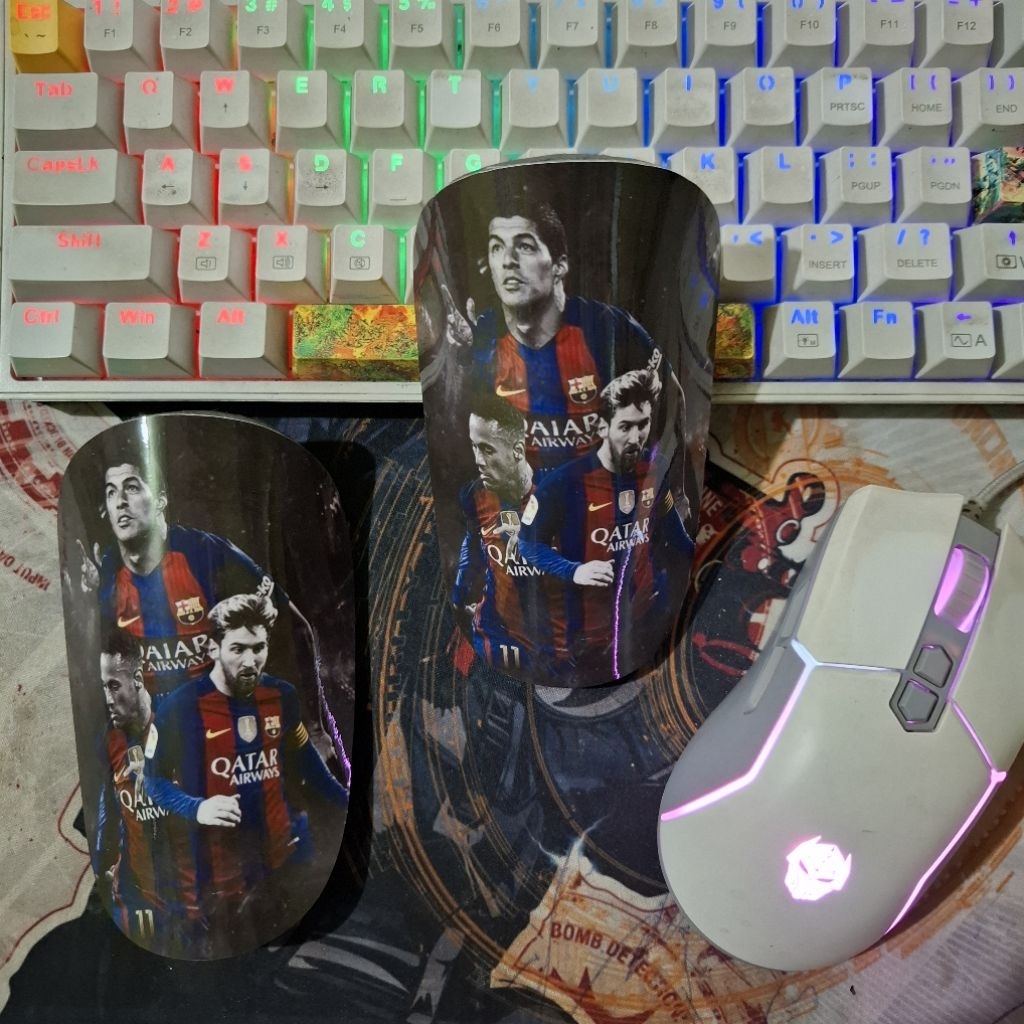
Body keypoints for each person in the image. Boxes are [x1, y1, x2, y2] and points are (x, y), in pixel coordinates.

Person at [143, 592, 349, 956]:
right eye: (238, 649)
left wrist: (352, 803)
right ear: (213, 648)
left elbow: (308, 765)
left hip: (286, 864)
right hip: (221, 884)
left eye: (258, 648)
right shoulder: (179, 708)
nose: (250, 661)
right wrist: (197, 807)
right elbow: (152, 781)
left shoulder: (281, 695)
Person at [438, 193, 669, 478]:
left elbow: (671, 394)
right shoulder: (483, 334)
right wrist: (462, 358)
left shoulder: (605, 328)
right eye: (497, 247)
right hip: (525, 495)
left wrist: (669, 482)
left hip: (598, 491)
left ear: (559, 265)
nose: (508, 261)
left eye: (524, 246)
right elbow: (466, 432)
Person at [518, 368, 694, 684]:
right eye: (625, 426)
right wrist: (574, 571)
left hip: (644, 625)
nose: (636, 438)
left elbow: (676, 540)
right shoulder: (564, 482)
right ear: (603, 427)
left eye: (643, 425)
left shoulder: (654, 471)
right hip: (584, 641)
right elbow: (528, 543)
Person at [451, 393, 558, 673]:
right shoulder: (473, 494)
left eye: (487, 450)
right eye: (474, 447)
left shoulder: (559, 489)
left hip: (558, 636)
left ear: (517, 451)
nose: (478, 460)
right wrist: (459, 596)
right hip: (497, 630)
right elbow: (473, 543)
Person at [93, 629, 183, 954]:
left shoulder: (179, 724)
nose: (107, 699)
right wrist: (101, 865)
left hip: (192, 896)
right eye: (103, 687)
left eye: (114, 686)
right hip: (139, 897)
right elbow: (108, 810)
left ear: (138, 680)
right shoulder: (109, 741)